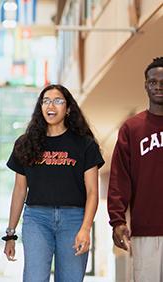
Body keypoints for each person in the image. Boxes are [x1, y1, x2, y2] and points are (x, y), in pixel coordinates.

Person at [4, 84, 104, 281]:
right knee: (35, 278)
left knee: (71, 278)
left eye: (58, 101)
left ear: (67, 109)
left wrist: (85, 229)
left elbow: (92, 192)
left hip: (74, 219)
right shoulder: (25, 143)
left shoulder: (85, 144)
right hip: (37, 219)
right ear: (40, 108)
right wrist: (10, 233)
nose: (51, 105)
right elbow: (19, 190)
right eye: (46, 101)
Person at [108, 57, 163, 281]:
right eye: (153, 82)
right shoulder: (132, 128)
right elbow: (119, 178)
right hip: (145, 230)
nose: (158, 86)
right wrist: (117, 220)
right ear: (145, 85)